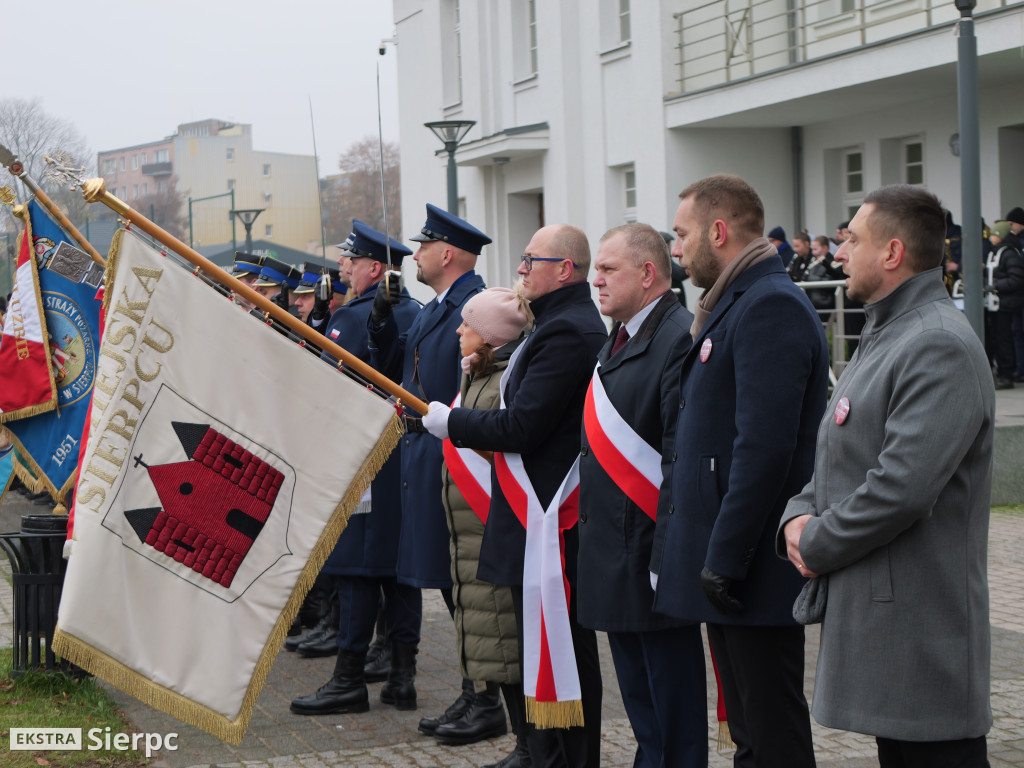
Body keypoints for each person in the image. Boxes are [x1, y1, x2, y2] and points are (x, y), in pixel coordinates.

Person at [779, 185, 995, 768]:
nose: (840, 251)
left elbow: (900, 488)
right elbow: (837, 450)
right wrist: (797, 516)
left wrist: (815, 542)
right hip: (885, 621)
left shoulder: (935, 343)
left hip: (920, 632)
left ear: (893, 252)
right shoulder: (889, 333)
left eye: (851, 238)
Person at [651, 174, 827, 768]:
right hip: (730, 560)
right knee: (750, 729)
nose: (675, 249)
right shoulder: (734, 300)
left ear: (718, 231)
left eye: (681, 234)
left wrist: (725, 558)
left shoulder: (768, 303)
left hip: (750, 564)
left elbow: (764, 448)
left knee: (770, 729)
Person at [422, 224, 607, 768]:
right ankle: (546, 754)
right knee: (539, 654)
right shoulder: (553, 325)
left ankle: (568, 760)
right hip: (532, 517)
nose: (520, 268)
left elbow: (522, 426)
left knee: (562, 655)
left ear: (563, 269)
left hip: (550, 518)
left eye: (531, 260)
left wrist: (452, 423)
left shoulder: (567, 331)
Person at [578, 223, 705, 768]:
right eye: (596, 269)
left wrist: (668, 558)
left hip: (652, 552)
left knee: (670, 709)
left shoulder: (677, 336)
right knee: (643, 707)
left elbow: (680, 456)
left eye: (608, 270)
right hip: (617, 551)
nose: (595, 281)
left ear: (648, 273)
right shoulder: (622, 335)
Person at [368, 204, 497, 739]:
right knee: (450, 583)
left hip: (457, 456)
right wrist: (382, 319)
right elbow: (401, 364)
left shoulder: (476, 306)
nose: (413, 255)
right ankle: (474, 693)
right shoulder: (437, 305)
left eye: (422, 247)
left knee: (466, 585)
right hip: (427, 454)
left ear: (447, 253)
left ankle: (486, 699)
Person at [289, 220, 422, 716]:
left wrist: (325, 320)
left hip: (365, 457)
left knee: (357, 569)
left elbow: (322, 379)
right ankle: (402, 678)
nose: (342, 267)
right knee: (399, 571)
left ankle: (348, 679)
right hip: (403, 458)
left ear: (373, 267)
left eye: (350, 260)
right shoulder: (418, 312)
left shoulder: (358, 315)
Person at [434, 287, 532, 749]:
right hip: (472, 532)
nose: (458, 330)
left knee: (506, 645)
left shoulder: (502, 381)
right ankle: (521, 743)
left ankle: (529, 748)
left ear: (489, 337)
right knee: (494, 644)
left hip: (489, 526)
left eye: (467, 324)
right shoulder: (478, 374)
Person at [985, 220, 1024, 389]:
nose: (990, 237)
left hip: (1005, 304)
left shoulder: (1009, 254)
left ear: (1000, 235)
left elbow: (1016, 279)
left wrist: (995, 286)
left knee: (1004, 339)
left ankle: (1006, 374)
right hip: (996, 303)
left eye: (993, 234)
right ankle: (1002, 372)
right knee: (997, 339)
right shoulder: (996, 252)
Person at [1005, 206, 1024, 382]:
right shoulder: (1015, 242)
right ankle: (1020, 368)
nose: (1011, 226)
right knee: (1017, 331)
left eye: (1012, 223)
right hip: (1019, 296)